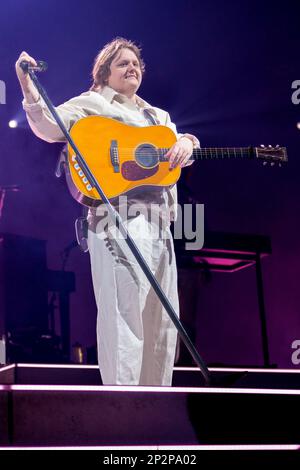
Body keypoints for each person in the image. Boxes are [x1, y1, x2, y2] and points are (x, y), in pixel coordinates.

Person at [15, 37, 200, 386]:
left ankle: (155, 410)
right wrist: (27, 86)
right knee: (124, 315)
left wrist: (188, 142)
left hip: (160, 225)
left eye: (136, 64)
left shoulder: (157, 116)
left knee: (161, 322)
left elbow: (183, 147)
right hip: (118, 220)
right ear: (103, 73)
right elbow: (48, 126)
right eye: (122, 64)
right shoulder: (93, 102)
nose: (132, 68)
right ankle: (123, 407)